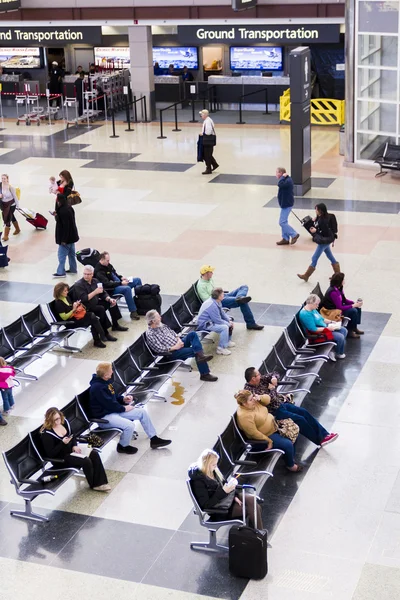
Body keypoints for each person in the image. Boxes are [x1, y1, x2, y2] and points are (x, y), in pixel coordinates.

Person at [244, 367, 338, 447]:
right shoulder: (250, 392)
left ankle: (325, 435)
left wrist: (273, 378)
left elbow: (274, 373)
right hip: (274, 412)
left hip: (281, 404)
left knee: (303, 412)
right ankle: (319, 440)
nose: (261, 375)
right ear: (253, 378)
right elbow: (269, 400)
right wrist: (272, 389)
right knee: (300, 419)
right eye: (258, 374)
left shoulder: (260, 380)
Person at [89, 362, 171, 454]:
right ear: (105, 375)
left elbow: (113, 397)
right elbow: (109, 405)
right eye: (111, 370)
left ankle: (154, 439)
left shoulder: (105, 382)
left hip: (113, 411)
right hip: (104, 417)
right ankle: (122, 446)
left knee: (142, 412)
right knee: (129, 425)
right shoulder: (97, 388)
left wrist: (123, 399)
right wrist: (124, 409)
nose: (112, 372)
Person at [189, 448, 263, 528]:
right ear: (206, 464)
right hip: (220, 509)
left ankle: (256, 535)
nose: (216, 466)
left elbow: (224, 485)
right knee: (253, 509)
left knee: (253, 501)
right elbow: (206, 505)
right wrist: (224, 492)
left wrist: (233, 495)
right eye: (214, 465)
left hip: (227, 498)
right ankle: (258, 535)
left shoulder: (214, 471)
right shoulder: (199, 481)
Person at [40, 407, 110, 492]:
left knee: (94, 454)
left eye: (58, 419)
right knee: (86, 461)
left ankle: (101, 482)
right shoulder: (47, 434)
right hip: (61, 458)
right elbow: (51, 454)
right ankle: (94, 484)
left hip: (71, 450)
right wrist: (62, 443)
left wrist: (74, 445)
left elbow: (73, 435)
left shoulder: (64, 423)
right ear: (49, 420)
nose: (57, 422)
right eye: (54, 420)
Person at [235, 390, 302, 473]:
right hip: (265, 437)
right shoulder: (244, 416)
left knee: (294, 431)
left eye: (253, 397)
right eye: (251, 399)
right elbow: (253, 433)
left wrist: (260, 397)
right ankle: (290, 465)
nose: (254, 400)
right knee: (287, 444)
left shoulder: (254, 403)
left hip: (274, 426)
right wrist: (268, 440)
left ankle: (289, 457)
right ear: (244, 403)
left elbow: (268, 399)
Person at [145, 310, 218, 382]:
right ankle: (204, 374)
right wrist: (175, 347)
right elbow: (159, 349)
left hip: (178, 344)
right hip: (171, 353)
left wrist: (179, 340)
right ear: (153, 321)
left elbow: (173, 332)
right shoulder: (151, 334)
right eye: (158, 317)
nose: (160, 317)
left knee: (192, 334)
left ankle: (201, 357)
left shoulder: (161, 325)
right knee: (195, 351)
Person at [196, 265, 264, 331]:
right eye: (211, 272)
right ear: (206, 274)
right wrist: (219, 297)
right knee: (243, 302)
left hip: (221, 295)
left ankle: (240, 298)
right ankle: (250, 323)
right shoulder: (201, 286)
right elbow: (207, 301)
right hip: (217, 301)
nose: (212, 273)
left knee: (244, 287)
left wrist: (221, 294)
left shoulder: (209, 279)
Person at [74, 265, 128, 338]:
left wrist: (109, 299)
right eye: (85, 274)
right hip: (87, 307)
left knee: (111, 303)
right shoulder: (79, 285)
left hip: (95, 302)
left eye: (88, 274)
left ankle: (115, 324)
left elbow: (103, 293)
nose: (86, 276)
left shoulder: (95, 281)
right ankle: (105, 333)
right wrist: (95, 292)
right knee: (101, 309)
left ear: (92, 274)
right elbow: (84, 299)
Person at [53, 282, 108, 348]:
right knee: (92, 318)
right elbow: (64, 317)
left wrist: (76, 305)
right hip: (71, 322)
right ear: (59, 292)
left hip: (75, 316)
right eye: (65, 291)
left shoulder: (67, 298)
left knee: (92, 317)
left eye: (67, 290)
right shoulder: (58, 303)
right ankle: (101, 336)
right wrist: (73, 309)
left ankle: (100, 338)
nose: (67, 292)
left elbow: (71, 307)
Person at [297, 203, 340, 282]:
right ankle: (338, 275)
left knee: (314, 258)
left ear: (320, 210)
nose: (315, 211)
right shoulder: (325, 217)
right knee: (330, 256)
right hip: (328, 239)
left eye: (316, 209)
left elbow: (324, 232)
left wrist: (315, 231)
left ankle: (306, 275)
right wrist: (316, 219)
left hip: (324, 241)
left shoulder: (322, 220)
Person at [94, 252, 142, 320]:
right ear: (102, 259)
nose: (109, 262)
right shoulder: (99, 271)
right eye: (107, 260)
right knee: (127, 289)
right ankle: (133, 311)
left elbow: (115, 274)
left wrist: (121, 278)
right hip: (111, 289)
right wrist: (121, 283)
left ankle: (141, 303)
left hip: (118, 283)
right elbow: (107, 284)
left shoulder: (108, 265)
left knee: (137, 280)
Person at [299, 293, 348, 361]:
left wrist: (332, 322)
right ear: (311, 303)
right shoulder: (305, 314)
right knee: (340, 337)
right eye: (316, 304)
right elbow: (313, 329)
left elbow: (322, 319)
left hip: (324, 327)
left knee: (343, 330)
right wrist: (328, 328)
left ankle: (334, 350)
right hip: (317, 334)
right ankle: (338, 353)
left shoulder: (312, 309)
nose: (318, 306)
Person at [321, 272, 364, 339]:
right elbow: (339, 307)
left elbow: (344, 300)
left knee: (357, 308)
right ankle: (350, 331)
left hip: (338, 309)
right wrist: (352, 306)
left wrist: (354, 303)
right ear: (339, 281)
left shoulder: (339, 288)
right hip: (333, 312)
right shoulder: (333, 292)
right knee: (353, 311)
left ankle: (354, 327)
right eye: (343, 279)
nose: (344, 281)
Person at [197, 288, 235, 356]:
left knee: (228, 323)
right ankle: (221, 348)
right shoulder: (212, 305)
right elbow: (217, 320)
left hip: (211, 321)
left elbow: (222, 313)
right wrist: (228, 324)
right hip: (206, 324)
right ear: (219, 296)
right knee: (224, 327)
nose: (224, 295)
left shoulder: (217, 301)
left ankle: (227, 341)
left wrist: (229, 320)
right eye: (223, 294)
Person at [53, 193, 79, 278]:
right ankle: (73, 269)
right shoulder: (69, 207)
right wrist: (56, 215)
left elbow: (65, 226)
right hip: (72, 236)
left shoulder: (62, 211)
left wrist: (63, 239)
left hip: (66, 238)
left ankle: (61, 272)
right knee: (71, 254)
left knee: (61, 255)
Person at [275, 167, 299, 246]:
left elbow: (279, 184)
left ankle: (294, 234)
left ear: (281, 173)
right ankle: (285, 238)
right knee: (284, 221)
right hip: (284, 203)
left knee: (281, 222)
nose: (276, 174)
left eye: (277, 173)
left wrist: (282, 177)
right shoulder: (286, 179)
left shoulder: (287, 180)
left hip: (287, 204)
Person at [0, 174, 20, 241]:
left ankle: (6, 236)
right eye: (2, 178)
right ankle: (17, 229)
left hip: (11, 205)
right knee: (11, 216)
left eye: (4, 178)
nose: (3, 180)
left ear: (7, 179)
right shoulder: (0, 186)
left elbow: (15, 197)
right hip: (4, 205)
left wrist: (18, 206)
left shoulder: (10, 187)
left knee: (8, 218)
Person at [199, 109, 219, 175]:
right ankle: (214, 164)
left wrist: (203, 133)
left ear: (205, 114)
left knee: (206, 155)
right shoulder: (209, 120)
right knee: (208, 154)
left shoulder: (207, 121)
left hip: (207, 140)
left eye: (201, 114)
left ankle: (208, 168)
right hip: (209, 140)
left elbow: (208, 131)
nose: (201, 115)